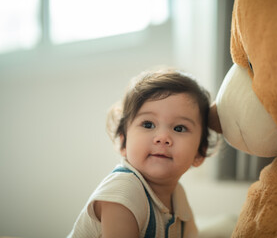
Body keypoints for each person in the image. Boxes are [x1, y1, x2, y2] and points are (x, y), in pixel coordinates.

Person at [68, 68, 213, 238]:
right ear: (123, 141)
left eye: (179, 128)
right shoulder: (123, 191)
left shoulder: (178, 198)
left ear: (199, 153)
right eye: (148, 124)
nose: (162, 138)